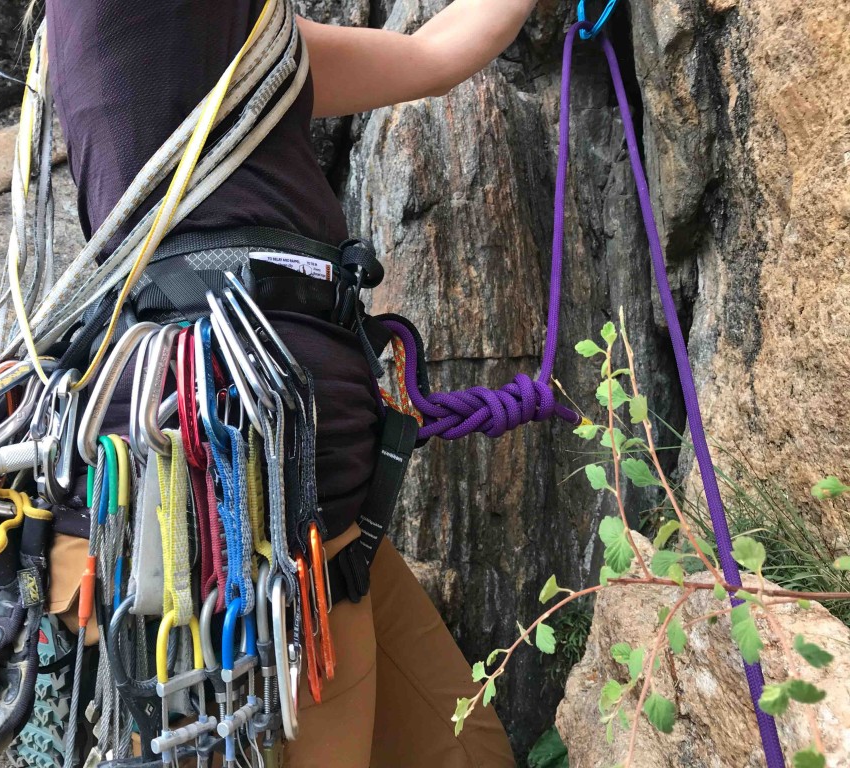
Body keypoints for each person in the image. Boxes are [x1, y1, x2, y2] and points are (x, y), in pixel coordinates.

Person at [41, 0, 538, 765]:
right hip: (241, 494)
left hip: (283, 482)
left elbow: (441, 53)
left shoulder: (245, 47)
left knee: (464, 746)